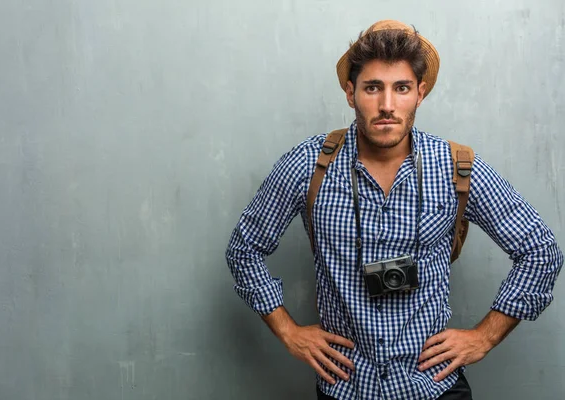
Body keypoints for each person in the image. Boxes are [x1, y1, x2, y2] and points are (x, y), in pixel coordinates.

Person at [224, 20, 563, 400]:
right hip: (346, 388)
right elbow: (244, 249)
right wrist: (288, 331)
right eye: (373, 88)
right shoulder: (308, 164)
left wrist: (483, 337)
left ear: (420, 93)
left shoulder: (456, 166)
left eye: (401, 88)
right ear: (351, 93)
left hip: (433, 387)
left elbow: (540, 250)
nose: (387, 105)